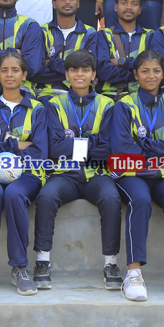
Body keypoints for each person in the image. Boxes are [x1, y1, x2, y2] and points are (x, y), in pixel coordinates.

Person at [110, 50, 164, 302]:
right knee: (139, 200)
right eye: (145, 71)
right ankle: (134, 273)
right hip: (133, 172)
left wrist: (143, 144)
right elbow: (122, 148)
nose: (151, 76)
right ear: (136, 74)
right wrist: (161, 146)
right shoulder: (124, 104)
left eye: (156, 71)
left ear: (163, 74)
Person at [33, 49, 121, 290]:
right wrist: (92, 144)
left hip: (97, 173)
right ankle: (42, 261)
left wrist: (72, 145)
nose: (79, 74)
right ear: (66, 74)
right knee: (46, 196)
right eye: (74, 70)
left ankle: (111, 264)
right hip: (65, 174)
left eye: (85, 70)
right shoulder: (54, 104)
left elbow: (108, 148)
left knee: (112, 199)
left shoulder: (107, 104)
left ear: (94, 75)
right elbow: (54, 148)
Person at [0, 51, 48, 296]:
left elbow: (40, 151)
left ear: (24, 75)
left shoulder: (37, 108)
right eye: (4, 70)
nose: (9, 74)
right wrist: (17, 145)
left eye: (15, 70)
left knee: (14, 195)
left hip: (28, 172)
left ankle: (20, 267)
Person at [34, 0, 96, 99]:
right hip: (45, 93)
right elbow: (36, 71)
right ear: (54, 3)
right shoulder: (42, 31)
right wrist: (75, 70)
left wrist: (50, 63)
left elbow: (89, 69)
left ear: (78, 3)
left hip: (79, 94)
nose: (67, 2)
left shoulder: (90, 33)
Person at [92, 0, 152, 100]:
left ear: (140, 9)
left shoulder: (150, 35)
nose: (129, 7)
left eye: (134, 4)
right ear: (116, 7)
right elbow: (103, 70)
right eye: (124, 3)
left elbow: (153, 67)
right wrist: (139, 73)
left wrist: (121, 62)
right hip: (109, 97)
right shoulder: (104, 34)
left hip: (141, 98)